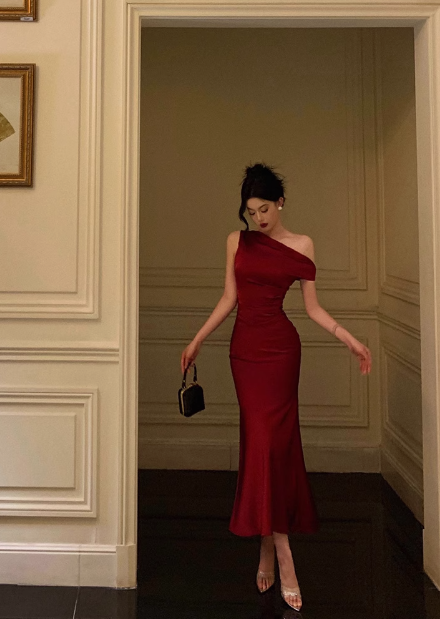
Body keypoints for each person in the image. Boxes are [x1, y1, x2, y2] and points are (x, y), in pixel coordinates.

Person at [180, 163, 372, 612]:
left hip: (282, 353)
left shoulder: (302, 245)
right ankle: (272, 546)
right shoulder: (237, 241)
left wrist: (349, 338)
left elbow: (313, 309)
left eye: (264, 209)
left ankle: (277, 551)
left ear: (280, 202)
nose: (258, 219)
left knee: (275, 448)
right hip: (245, 354)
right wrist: (197, 339)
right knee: (260, 445)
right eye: (251, 212)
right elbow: (230, 298)